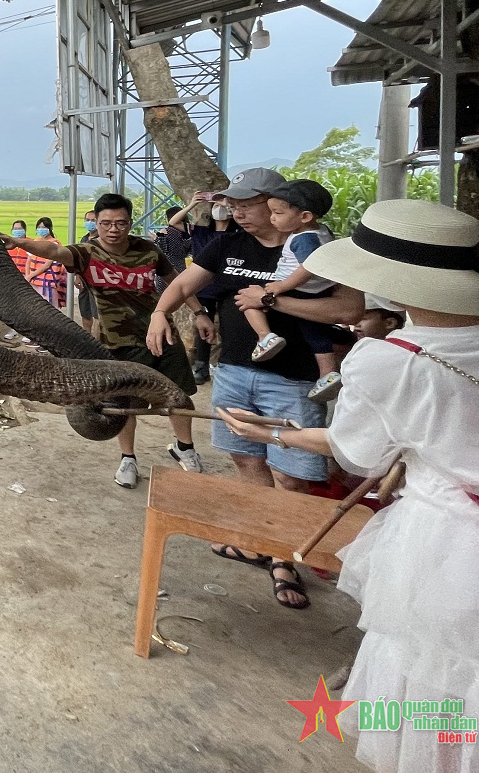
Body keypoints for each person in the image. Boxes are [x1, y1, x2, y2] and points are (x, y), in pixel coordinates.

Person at [216, 198, 479, 773]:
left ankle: (431, 755)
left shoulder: (388, 359)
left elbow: (359, 455)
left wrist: (279, 435)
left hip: (452, 541)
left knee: (429, 676)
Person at [146, 167, 364, 609]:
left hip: (296, 378)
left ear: (279, 204)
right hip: (233, 371)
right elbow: (188, 280)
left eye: (248, 205)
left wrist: (271, 299)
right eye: (234, 206)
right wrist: (160, 312)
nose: (238, 213)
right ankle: (259, 542)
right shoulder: (229, 243)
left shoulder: (319, 246)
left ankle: (286, 558)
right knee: (246, 460)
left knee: (292, 473)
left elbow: (350, 308)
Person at [13, 193, 204, 485]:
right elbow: (53, 252)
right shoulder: (86, 253)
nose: (113, 229)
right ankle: (128, 459)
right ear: (97, 223)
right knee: (124, 404)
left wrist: (200, 313)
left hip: (161, 334)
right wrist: (19, 242)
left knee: (179, 395)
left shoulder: (149, 250)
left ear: (129, 222)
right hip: (116, 343)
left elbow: (177, 283)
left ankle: (185, 447)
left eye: (121, 223)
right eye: (106, 223)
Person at [242, 179, 343, 402]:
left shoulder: (304, 238)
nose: (272, 218)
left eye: (277, 213)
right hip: (320, 291)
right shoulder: (322, 232)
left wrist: (282, 286)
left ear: (305, 216)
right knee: (316, 335)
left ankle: (265, 337)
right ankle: (328, 374)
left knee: (248, 299)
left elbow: (309, 266)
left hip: (297, 288)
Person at [175, 190, 241, 383]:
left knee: (231, 325)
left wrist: (231, 204)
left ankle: (229, 365)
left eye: (223, 207)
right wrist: (192, 203)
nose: (219, 210)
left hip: (230, 287)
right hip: (204, 288)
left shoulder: (239, 234)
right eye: (216, 206)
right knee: (203, 326)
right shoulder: (201, 231)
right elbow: (174, 223)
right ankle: (201, 366)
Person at [22, 217, 67, 312]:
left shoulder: (54, 244)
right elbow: (29, 260)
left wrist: (30, 276)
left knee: (49, 310)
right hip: (34, 282)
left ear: (49, 228)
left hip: (47, 284)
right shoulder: (35, 242)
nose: (41, 229)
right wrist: (27, 276)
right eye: (39, 227)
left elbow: (47, 264)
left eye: (43, 227)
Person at [152, 205, 191, 295]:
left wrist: (156, 239)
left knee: (163, 295)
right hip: (182, 266)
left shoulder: (166, 231)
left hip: (166, 267)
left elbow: (162, 249)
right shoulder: (188, 232)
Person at [74, 210, 99, 336]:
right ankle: (88, 339)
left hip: (97, 282)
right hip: (84, 282)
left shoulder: (102, 239)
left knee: (97, 315)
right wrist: (78, 276)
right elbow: (79, 259)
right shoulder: (84, 239)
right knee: (85, 312)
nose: (89, 223)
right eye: (87, 220)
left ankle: (98, 343)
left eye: (93, 220)